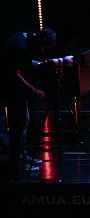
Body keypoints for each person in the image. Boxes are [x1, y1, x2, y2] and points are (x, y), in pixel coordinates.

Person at [2, 27, 56, 179]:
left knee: (24, 124)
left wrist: (41, 64)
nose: (44, 50)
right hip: (11, 90)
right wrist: (35, 90)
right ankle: (17, 162)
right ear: (41, 40)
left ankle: (23, 156)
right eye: (45, 47)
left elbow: (24, 62)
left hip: (19, 92)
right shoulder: (20, 45)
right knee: (17, 128)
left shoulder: (28, 40)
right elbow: (15, 74)